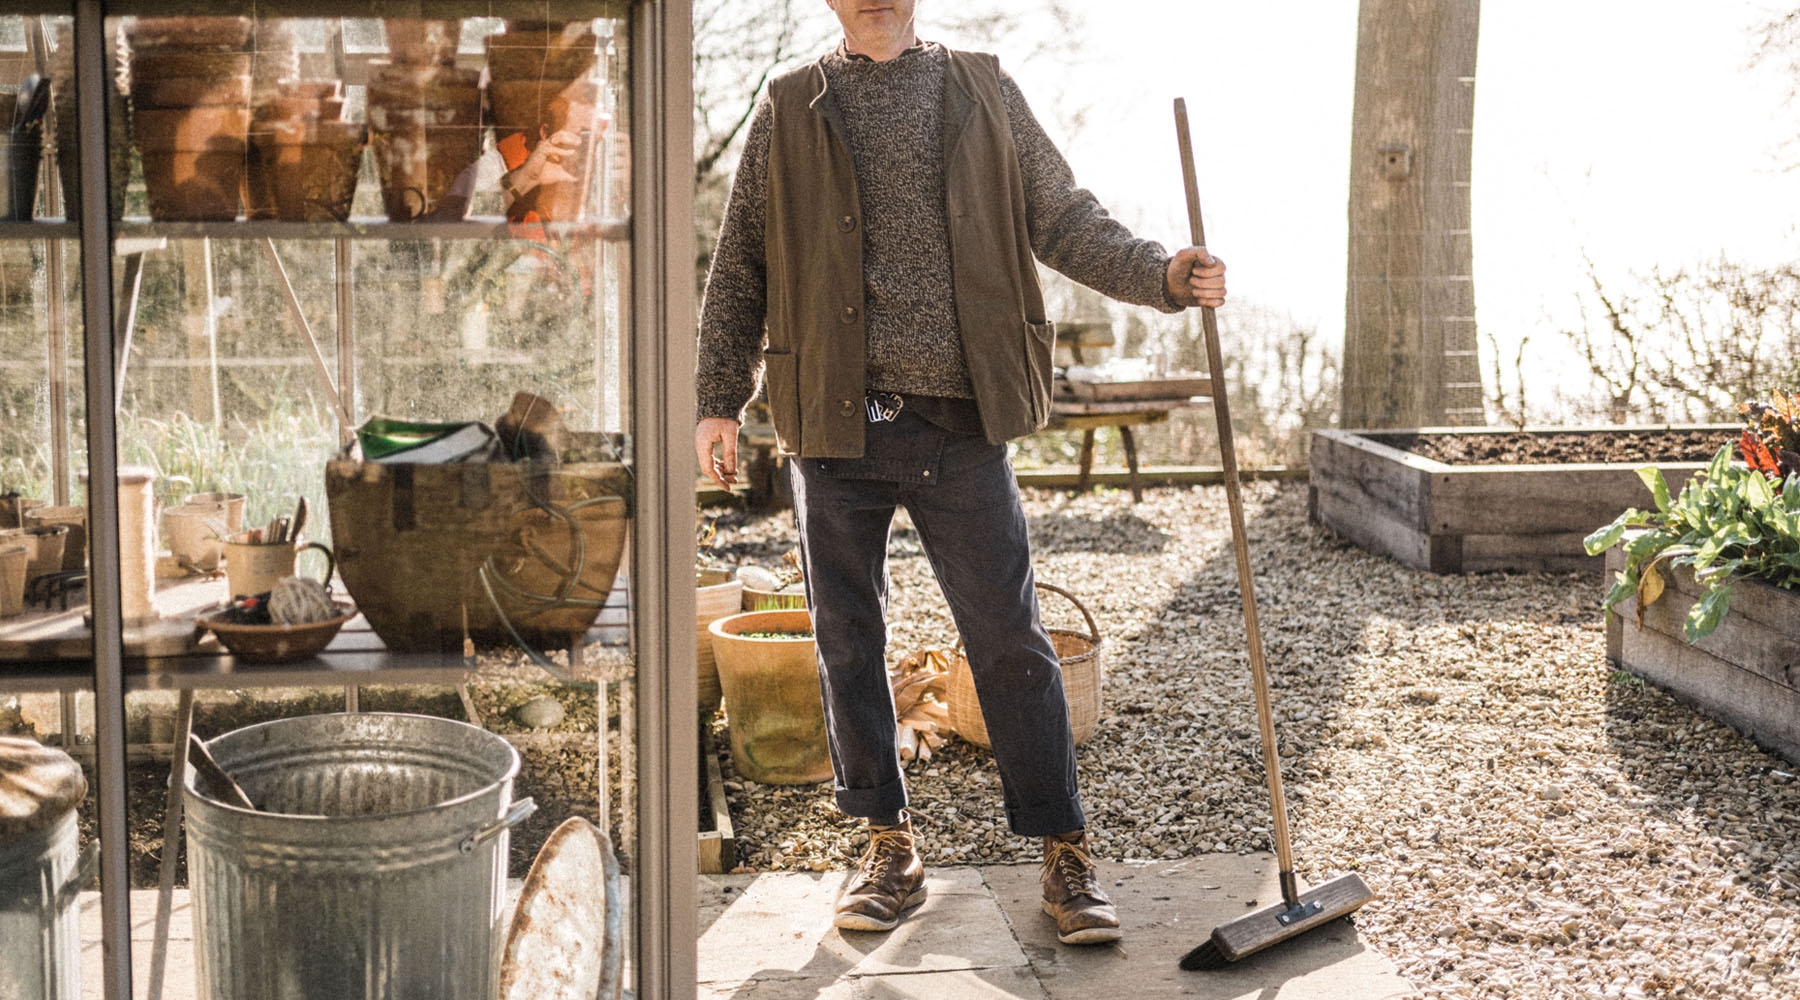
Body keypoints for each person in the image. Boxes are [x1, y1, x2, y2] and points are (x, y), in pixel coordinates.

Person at [695, 0, 1227, 946]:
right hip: (832, 422)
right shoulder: (788, 105)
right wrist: (715, 398)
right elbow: (741, 262)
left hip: (963, 418)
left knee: (1010, 640)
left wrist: (1162, 274)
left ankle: (1065, 852)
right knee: (846, 639)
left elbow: (1063, 219)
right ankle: (887, 843)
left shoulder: (981, 86)